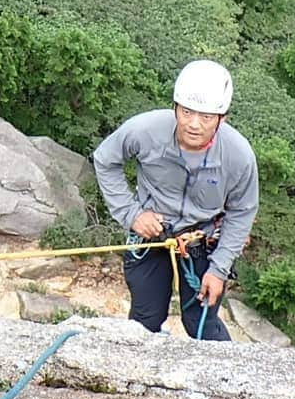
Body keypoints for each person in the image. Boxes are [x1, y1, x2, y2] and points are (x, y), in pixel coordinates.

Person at [92, 60, 259, 342]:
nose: (194, 124)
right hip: (151, 233)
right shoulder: (146, 130)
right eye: (187, 112)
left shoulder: (238, 155)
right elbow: (105, 159)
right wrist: (132, 214)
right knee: (145, 320)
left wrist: (218, 269)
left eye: (206, 117)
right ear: (175, 108)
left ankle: (225, 379)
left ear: (222, 118)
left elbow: (242, 211)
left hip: (202, 240)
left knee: (201, 323)